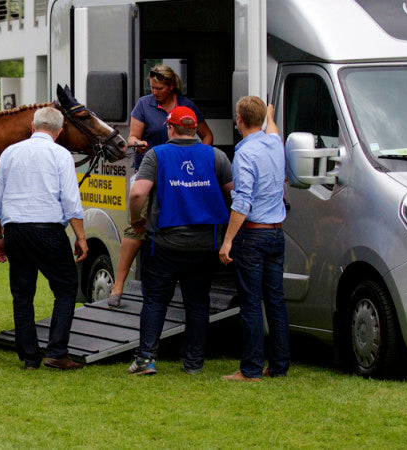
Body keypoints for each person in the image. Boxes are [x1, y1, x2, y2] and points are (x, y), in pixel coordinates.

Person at [126, 106, 232, 376]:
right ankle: (194, 363)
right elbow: (234, 193)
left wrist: (135, 218)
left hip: (163, 243)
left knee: (155, 301)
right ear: (196, 128)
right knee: (197, 303)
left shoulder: (157, 154)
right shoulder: (216, 156)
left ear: (170, 128)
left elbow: (138, 193)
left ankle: (146, 359)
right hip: (204, 244)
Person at [0, 106, 86, 371]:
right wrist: (81, 237)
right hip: (47, 228)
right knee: (65, 288)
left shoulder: (10, 152)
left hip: (15, 229)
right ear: (60, 130)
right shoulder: (61, 154)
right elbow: (70, 200)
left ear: (32, 126)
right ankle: (56, 351)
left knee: (22, 293)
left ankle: (30, 357)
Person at [109, 65, 214, 307]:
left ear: (171, 86)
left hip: (177, 173)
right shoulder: (144, 105)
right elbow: (132, 138)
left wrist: (201, 157)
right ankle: (118, 286)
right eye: (152, 87)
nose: (154, 91)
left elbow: (206, 135)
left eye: (159, 88)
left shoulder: (186, 106)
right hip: (148, 169)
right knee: (136, 226)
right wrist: (139, 143)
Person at [218, 97, 289, 382]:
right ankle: (279, 367)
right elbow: (272, 129)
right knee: (275, 302)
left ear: (240, 121)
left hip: (253, 234)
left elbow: (242, 202)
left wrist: (228, 241)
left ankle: (250, 370)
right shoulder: (275, 144)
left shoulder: (245, 155)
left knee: (250, 302)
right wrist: (269, 115)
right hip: (276, 232)